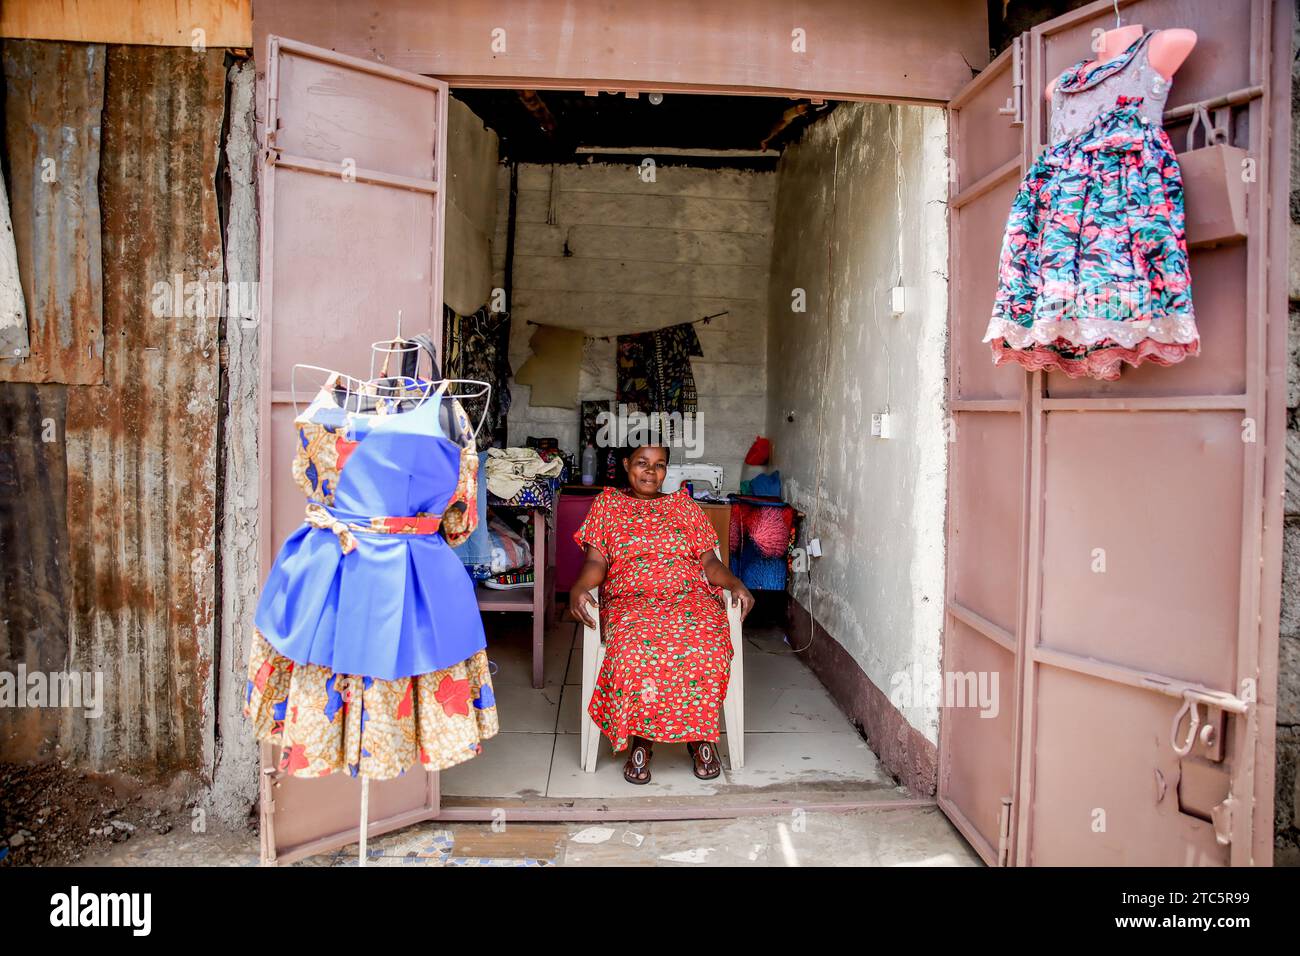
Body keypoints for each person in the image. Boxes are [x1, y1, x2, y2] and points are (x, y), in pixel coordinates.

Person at [569, 445, 755, 784]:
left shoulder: (684, 506)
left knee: (706, 645)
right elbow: (596, 562)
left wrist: (736, 583)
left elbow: (710, 563)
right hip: (631, 599)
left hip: (690, 597)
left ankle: (701, 738)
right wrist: (579, 587)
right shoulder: (607, 505)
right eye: (642, 463)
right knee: (635, 649)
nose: (650, 472)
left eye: (659, 465)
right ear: (627, 464)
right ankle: (641, 740)